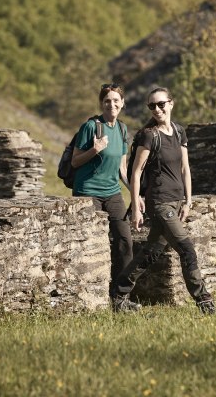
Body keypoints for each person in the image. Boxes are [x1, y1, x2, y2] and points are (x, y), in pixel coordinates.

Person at [111, 87, 216, 314]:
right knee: (187, 249)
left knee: (151, 252)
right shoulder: (149, 135)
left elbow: (185, 168)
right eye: (151, 106)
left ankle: (119, 295)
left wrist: (188, 201)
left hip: (177, 201)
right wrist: (137, 207)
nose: (156, 109)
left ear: (171, 103)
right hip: (159, 203)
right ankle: (205, 302)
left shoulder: (178, 132)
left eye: (160, 104)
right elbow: (136, 172)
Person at [72, 83, 139, 309]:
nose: (111, 104)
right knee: (90, 243)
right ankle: (88, 298)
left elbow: (122, 169)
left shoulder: (122, 130)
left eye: (115, 100)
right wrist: (94, 150)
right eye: (107, 101)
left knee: (125, 242)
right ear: (102, 104)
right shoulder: (91, 127)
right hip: (87, 192)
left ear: (122, 104)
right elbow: (75, 161)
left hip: (113, 194)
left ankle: (121, 297)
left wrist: (135, 193)